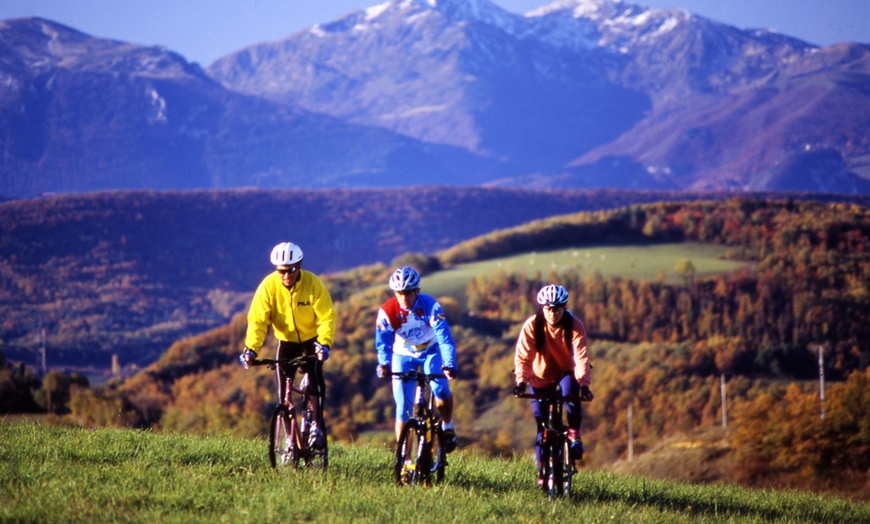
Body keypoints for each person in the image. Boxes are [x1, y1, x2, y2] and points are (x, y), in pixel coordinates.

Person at [240, 242, 336, 448]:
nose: (286, 275)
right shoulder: (268, 286)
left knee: (316, 379)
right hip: (287, 341)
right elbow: (257, 320)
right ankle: (288, 440)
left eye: (291, 270)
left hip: (312, 340)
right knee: (283, 392)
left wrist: (324, 344)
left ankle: (316, 427)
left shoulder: (313, 284)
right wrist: (251, 349)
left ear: (299, 266)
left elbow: (327, 317)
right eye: (281, 271)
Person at [514, 284, 593, 482]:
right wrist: (521, 382)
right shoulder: (532, 325)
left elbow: (581, 357)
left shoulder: (574, 325)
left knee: (571, 398)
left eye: (557, 309)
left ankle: (575, 435)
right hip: (540, 375)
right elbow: (523, 357)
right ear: (542, 308)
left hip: (566, 371)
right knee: (541, 425)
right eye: (548, 309)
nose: (553, 314)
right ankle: (542, 471)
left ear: (564, 308)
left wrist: (584, 384)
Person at [375, 266, 459, 452]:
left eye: (408, 293)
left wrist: (449, 364)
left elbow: (445, 339)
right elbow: (383, 345)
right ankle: (404, 460)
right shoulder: (387, 313)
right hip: (403, 355)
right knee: (402, 408)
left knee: (440, 388)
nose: (404, 298)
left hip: (432, 350)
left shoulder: (431, 306)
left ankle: (447, 425)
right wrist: (384, 364)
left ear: (417, 291)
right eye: (399, 293)